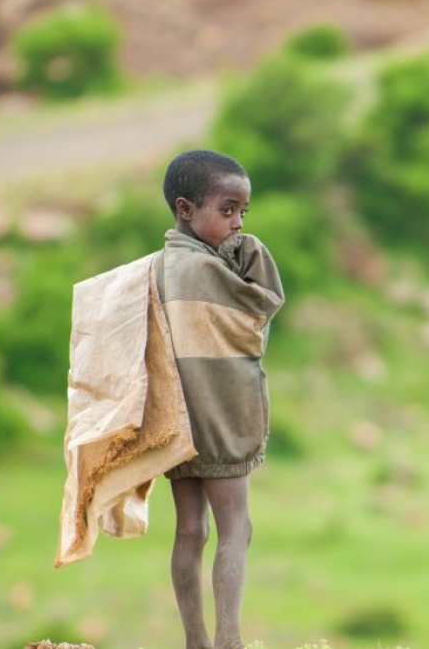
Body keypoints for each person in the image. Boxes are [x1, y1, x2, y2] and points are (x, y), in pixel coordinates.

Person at [157, 149, 285, 649]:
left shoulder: (157, 269)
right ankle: (229, 639)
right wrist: (251, 254)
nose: (237, 223)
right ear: (186, 210)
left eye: (242, 213)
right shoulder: (209, 272)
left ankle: (195, 641)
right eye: (227, 210)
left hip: (176, 420)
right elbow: (259, 308)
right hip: (220, 417)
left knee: (190, 530)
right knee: (236, 527)